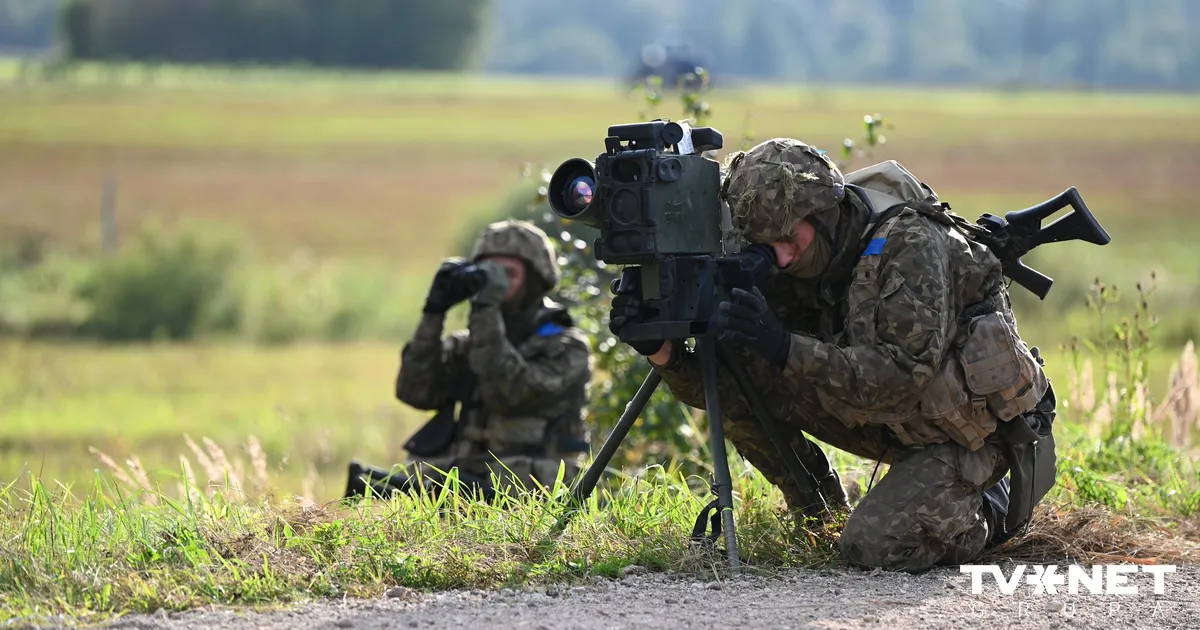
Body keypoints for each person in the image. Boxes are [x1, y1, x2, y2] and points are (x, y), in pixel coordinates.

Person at [608, 138, 1058, 573]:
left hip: (971, 431)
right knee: (748, 379)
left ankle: (993, 507)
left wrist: (783, 346)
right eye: (766, 246)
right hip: (895, 420)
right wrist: (665, 354)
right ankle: (817, 510)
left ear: (825, 211)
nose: (781, 257)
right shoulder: (793, 258)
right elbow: (731, 389)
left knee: (875, 545)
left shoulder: (909, 244)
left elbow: (900, 380)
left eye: (788, 239)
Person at [343, 220, 594, 502]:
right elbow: (416, 391)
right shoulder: (468, 344)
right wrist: (434, 312)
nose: (496, 283)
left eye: (507, 274)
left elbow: (510, 394)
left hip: (532, 493)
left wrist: (485, 307)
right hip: (462, 486)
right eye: (486, 273)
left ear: (534, 282)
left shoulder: (566, 347)